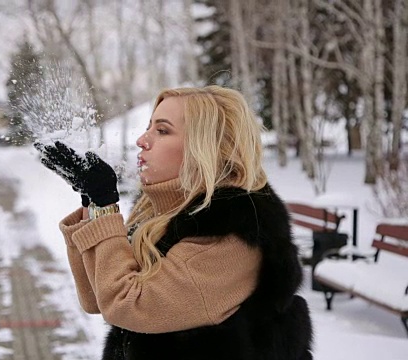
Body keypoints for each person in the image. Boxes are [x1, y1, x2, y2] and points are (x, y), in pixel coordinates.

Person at [34, 86, 313, 360]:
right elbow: (96, 296)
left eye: (163, 130)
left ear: (204, 147)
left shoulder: (229, 232)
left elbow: (128, 305)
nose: (142, 140)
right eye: (149, 127)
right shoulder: (157, 213)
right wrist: (92, 204)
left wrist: (105, 205)